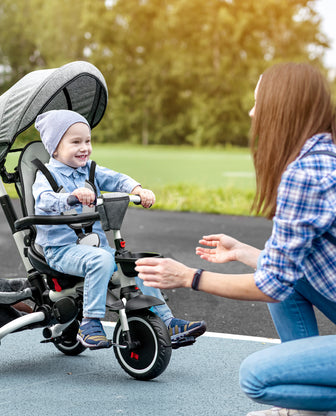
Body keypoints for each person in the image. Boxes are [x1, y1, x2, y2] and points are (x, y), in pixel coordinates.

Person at [135, 63, 336, 414]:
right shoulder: (323, 156)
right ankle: (307, 411)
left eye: (258, 102)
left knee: (257, 377)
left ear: (282, 108)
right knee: (289, 278)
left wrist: (189, 278)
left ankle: (305, 405)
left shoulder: (304, 174)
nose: (251, 112)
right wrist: (244, 252)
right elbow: (288, 269)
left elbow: (271, 285)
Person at [32, 109, 206, 349]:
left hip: (97, 250)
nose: (84, 147)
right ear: (54, 149)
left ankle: (168, 321)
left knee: (137, 265)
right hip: (60, 250)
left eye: (88, 141)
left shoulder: (90, 171)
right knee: (102, 260)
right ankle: (90, 322)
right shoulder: (47, 175)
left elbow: (117, 179)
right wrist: (71, 197)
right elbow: (43, 200)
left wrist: (137, 189)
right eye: (76, 142)